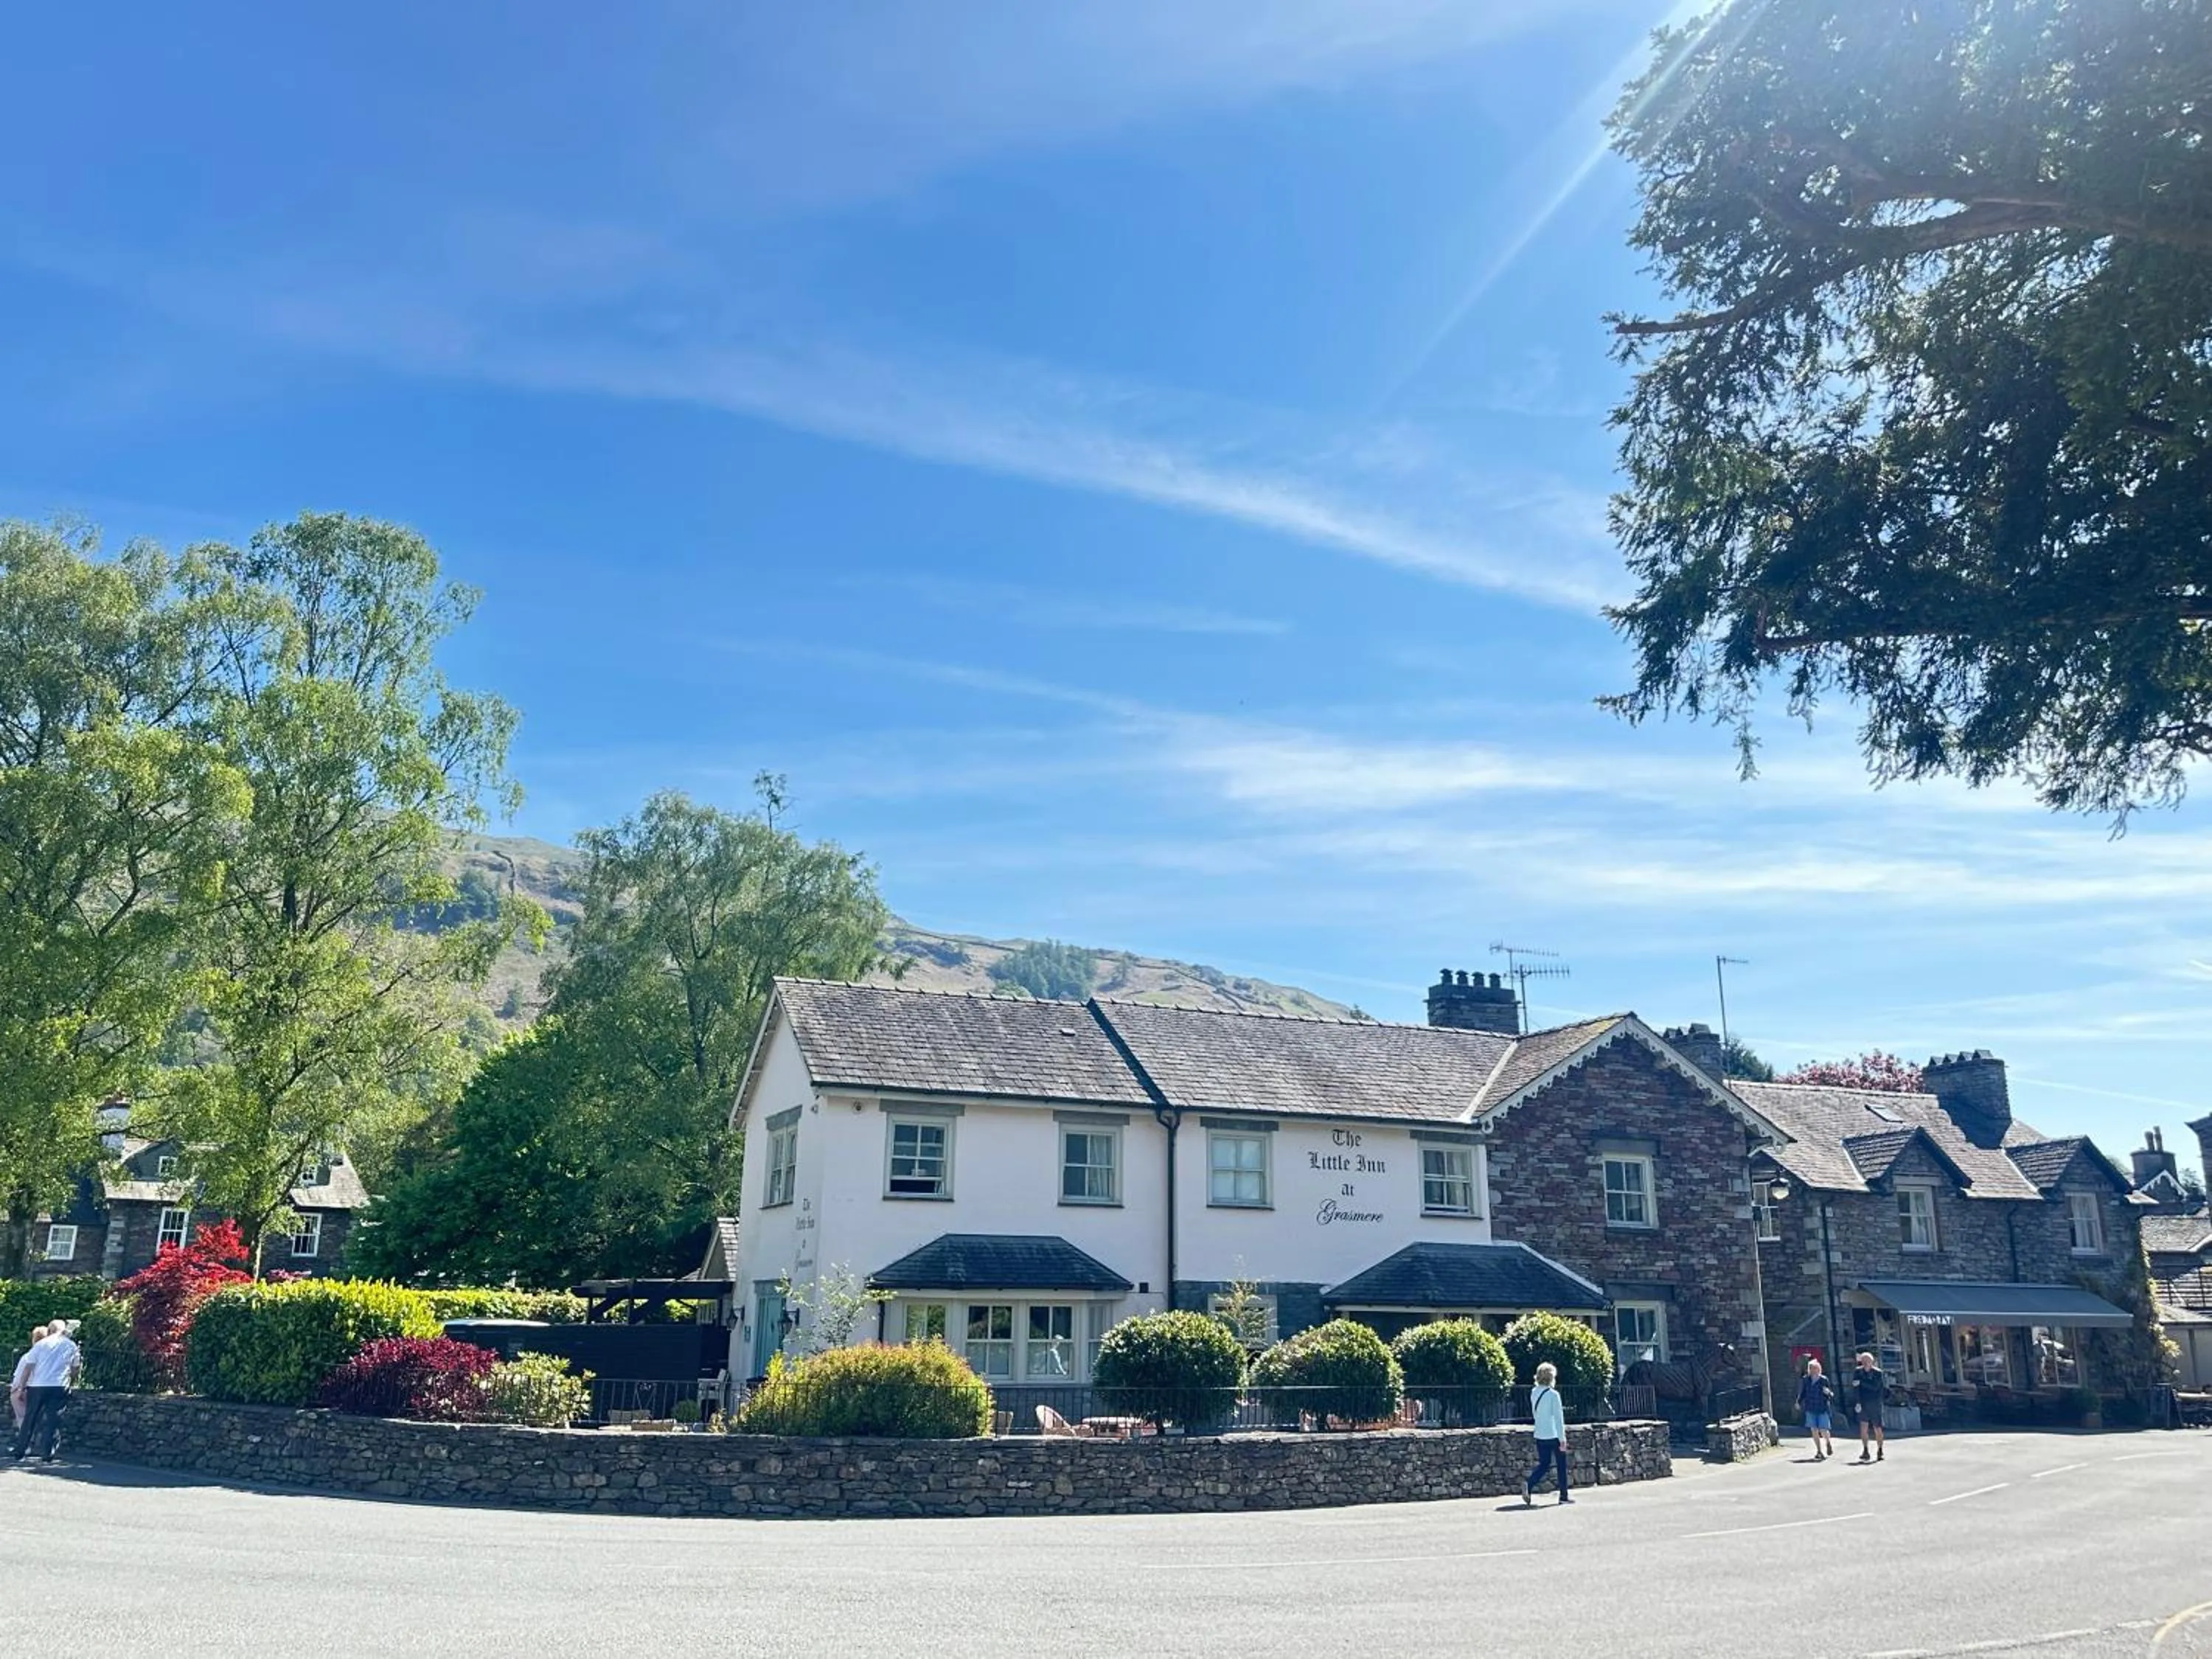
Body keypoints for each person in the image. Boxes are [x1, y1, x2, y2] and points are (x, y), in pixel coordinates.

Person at [11, 1318, 82, 1463]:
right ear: (63, 1330)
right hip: (59, 1386)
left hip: (37, 1385)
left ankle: (21, 1450)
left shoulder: (41, 1344)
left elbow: (28, 1367)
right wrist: (71, 1381)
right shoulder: (71, 1345)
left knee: (30, 1418)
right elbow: (76, 1368)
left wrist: (21, 1387)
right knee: (53, 1419)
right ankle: (48, 1452)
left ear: (49, 1330)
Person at [1523, 1361, 1573, 1506]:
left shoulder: (1534, 1393)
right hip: (1554, 1435)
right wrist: (1562, 1439)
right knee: (1561, 1466)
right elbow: (1558, 1418)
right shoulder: (1553, 1395)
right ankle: (1563, 1496)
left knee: (1544, 1464)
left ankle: (1529, 1484)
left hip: (1540, 1434)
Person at [1797, 1357, 1837, 1461]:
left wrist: (1828, 1393)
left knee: (1823, 1430)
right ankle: (1819, 1451)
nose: (1813, 1370)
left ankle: (1828, 1443)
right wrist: (1798, 1402)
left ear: (1819, 1369)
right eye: (1811, 1368)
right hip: (1810, 1407)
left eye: (1815, 1368)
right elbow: (1803, 1392)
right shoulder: (1806, 1380)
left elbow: (1830, 1394)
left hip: (1822, 1408)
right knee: (1814, 1430)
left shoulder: (1824, 1380)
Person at [10, 1323, 47, 1430]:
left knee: (23, 1420)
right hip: (41, 1391)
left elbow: (19, 1375)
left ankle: (26, 1440)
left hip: (23, 1390)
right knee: (38, 1421)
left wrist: (15, 1389)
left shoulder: (28, 1356)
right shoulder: (49, 1359)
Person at [1852, 1350, 1888, 1464]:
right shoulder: (1858, 1372)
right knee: (1863, 1427)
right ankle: (1865, 1450)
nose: (1865, 1363)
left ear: (1872, 1361)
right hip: (1863, 1403)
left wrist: (1861, 1383)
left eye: (1867, 1361)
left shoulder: (1878, 1373)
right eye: (1863, 1361)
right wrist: (1857, 1402)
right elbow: (1855, 1387)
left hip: (1875, 1403)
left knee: (1878, 1427)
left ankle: (1880, 1450)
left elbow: (1875, 1387)